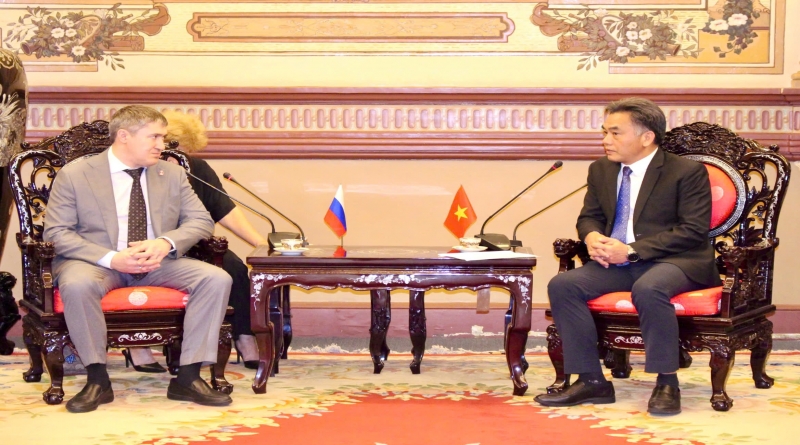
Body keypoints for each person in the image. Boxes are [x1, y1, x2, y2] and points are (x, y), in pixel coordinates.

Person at [533, 97, 720, 415]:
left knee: (650, 287)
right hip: (618, 263)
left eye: (615, 133)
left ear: (646, 137)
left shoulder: (686, 172)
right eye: (604, 132)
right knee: (563, 285)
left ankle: (667, 382)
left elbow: (692, 230)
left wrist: (632, 250)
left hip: (677, 260)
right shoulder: (601, 169)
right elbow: (589, 217)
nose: (606, 140)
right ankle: (591, 380)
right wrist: (592, 237)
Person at [43, 105, 233, 413]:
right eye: (154, 137)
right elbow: (57, 232)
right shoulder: (76, 174)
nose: (162, 144)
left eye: (163, 137)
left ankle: (188, 377)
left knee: (216, 278)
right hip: (96, 263)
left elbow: (200, 221)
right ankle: (97, 379)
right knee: (76, 285)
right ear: (124, 136)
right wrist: (111, 258)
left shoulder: (171, 173)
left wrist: (165, 243)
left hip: (160, 263)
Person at [123, 110, 267, 371]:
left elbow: (224, 210)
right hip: (148, 245)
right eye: (172, 150)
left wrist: (261, 245)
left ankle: (244, 336)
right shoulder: (138, 169)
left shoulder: (196, 168)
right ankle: (137, 344)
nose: (180, 159)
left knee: (234, 268)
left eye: (185, 153)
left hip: (193, 245)